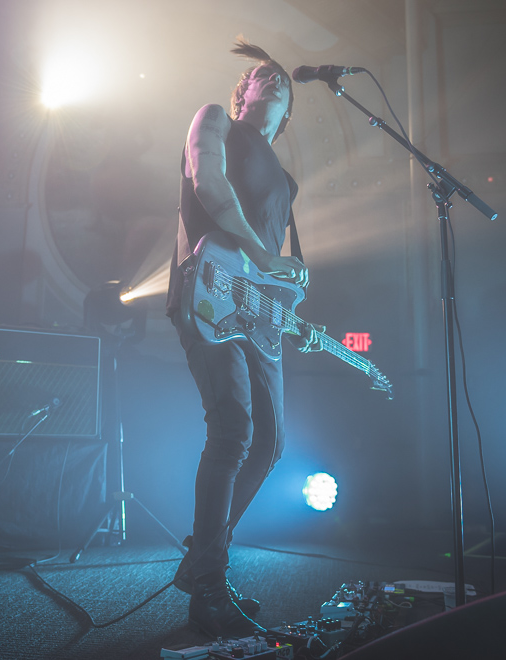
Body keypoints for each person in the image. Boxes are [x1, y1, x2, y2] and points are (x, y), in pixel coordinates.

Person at [165, 39, 322, 638]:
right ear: (244, 90)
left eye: (282, 78)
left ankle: (205, 560)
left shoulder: (285, 179)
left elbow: (274, 267)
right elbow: (208, 186)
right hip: (208, 286)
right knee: (233, 429)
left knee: (272, 442)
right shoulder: (215, 121)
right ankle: (208, 586)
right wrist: (263, 254)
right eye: (262, 74)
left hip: (257, 310)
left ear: (290, 107)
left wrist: (291, 291)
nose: (275, 79)